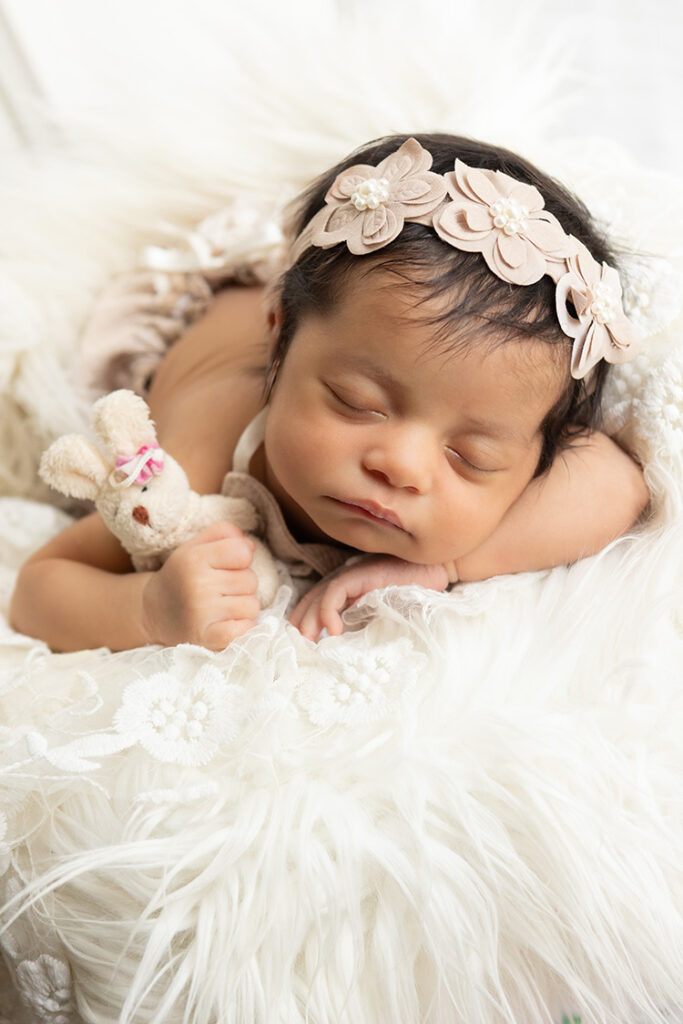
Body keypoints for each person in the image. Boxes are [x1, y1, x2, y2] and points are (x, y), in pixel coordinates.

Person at [9, 133, 650, 652]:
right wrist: (148, 610)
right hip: (216, 324)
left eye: (471, 457)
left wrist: (443, 567)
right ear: (281, 344)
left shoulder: (496, 395)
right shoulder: (197, 468)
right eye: (355, 401)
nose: (399, 465)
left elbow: (620, 485)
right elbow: (37, 589)